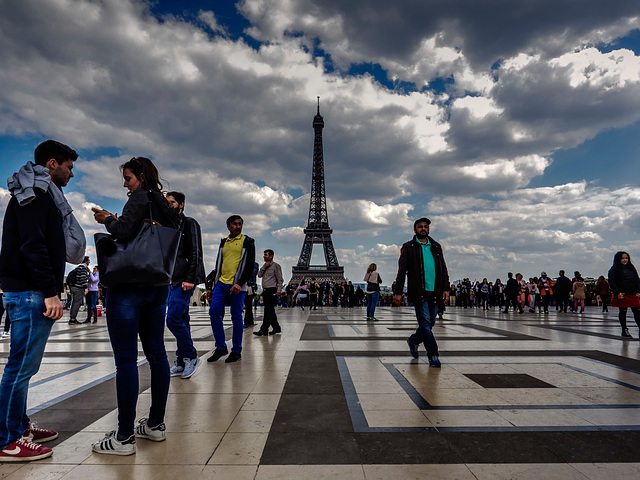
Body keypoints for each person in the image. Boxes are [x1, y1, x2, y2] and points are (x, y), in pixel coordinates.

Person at [0, 140, 84, 462]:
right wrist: (50, 290)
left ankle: (18, 426)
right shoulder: (35, 194)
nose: (71, 173)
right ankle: (7, 440)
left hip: (26, 288)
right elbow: (33, 245)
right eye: (69, 166)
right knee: (20, 368)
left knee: (23, 367)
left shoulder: (34, 191)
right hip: (29, 291)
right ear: (52, 164)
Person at [91, 156, 179, 455]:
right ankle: (155, 425)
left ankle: (124, 437)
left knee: (126, 360)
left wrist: (107, 219)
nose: (125, 184)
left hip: (128, 287)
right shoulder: (165, 205)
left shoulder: (139, 196)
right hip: (157, 287)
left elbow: (124, 232)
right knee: (157, 356)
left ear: (140, 176)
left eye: (127, 178)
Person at [394, 217, 450, 367]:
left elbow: (443, 269)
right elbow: (402, 271)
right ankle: (433, 355)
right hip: (419, 291)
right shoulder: (408, 247)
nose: (423, 229)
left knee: (430, 323)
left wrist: (446, 288)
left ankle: (413, 340)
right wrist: (398, 292)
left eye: (426, 226)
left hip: (436, 290)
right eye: (420, 227)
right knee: (425, 323)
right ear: (415, 230)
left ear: (429, 229)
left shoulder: (436, 246)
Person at [164, 191, 206, 379]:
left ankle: (191, 355)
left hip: (184, 280)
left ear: (182, 205)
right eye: (167, 202)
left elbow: (196, 252)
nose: (168, 205)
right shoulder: (168, 225)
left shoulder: (190, 223)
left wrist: (190, 278)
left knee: (172, 318)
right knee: (182, 319)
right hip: (171, 279)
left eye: (172, 202)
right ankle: (181, 360)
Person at [207, 215, 256, 363]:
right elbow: (219, 265)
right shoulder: (224, 242)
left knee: (236, 317)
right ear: (228, 226)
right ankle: (221, 347)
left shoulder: (247, 241)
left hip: (237, 285)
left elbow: (250, 265)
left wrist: (240, 283)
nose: (238, 226)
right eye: (235, 224)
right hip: (221, 284)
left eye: (240, 224)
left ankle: (236, 350)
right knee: (214, 312)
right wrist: (212, 286)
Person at [607, 251, 640, 338]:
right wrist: (617, 292)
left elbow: (637, 279)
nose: (625, 260)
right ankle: (624, 329)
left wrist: (638, 291)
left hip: (632, 293)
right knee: (623, 311)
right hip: (622, 294)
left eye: (626, 258)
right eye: (623, 258)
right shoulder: (614, 269)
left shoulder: (631, 268)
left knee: (637, 311)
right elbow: (612, 281)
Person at [254, 249, 284, 336]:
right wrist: (264, 267)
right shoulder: (264, 266)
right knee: (270, 310)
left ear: (271, 256)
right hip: (265, 290)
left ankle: (264, 329)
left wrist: (279, 289)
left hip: (272, 290)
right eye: (264, 255)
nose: (264, 256)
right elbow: (259, 275)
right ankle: (276, 327)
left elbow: (280, 279)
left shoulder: (276, 266)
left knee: (268, 310)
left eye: (266, 255)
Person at [68, 256, 90, 325]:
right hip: (78, 288)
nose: (89, 262)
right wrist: (85, 288)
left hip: (74, 287)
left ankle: (72, 318)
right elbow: (83, 278)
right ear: (86, 261)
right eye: (88, 261)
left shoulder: (78, 267)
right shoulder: (83, 268)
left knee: (75, 302)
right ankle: (73, 319)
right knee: (77, 303)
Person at [243, 262, 259, 328]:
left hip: (249, 286)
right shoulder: (254, 265)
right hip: (246, 285)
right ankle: (250, 320)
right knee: (248, 304)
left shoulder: (254, 264)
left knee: (248, 304)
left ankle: (247, 321)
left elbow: (252, 273)